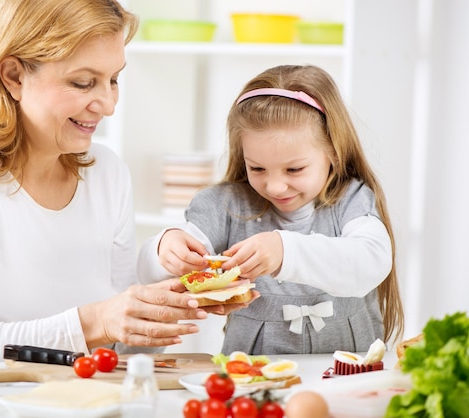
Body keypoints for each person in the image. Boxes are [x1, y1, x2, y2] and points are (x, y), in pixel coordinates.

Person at [0, 0, 210, 364]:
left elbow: (119, 352)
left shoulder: (107, 174)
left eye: (114, 80)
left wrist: (165, 300)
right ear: (13, 76)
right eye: (83, 82)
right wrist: (95, 322)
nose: (107, 104)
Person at [138, 64, 405, 355]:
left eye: (294, 168)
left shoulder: (351, 200)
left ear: (333, 152)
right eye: (258, 168)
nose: (275, 186)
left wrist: (285, 251)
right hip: (249, 378)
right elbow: (148, 272)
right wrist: (165, 248)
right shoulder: (225, 204)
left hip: (347, 378)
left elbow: (372, 260)